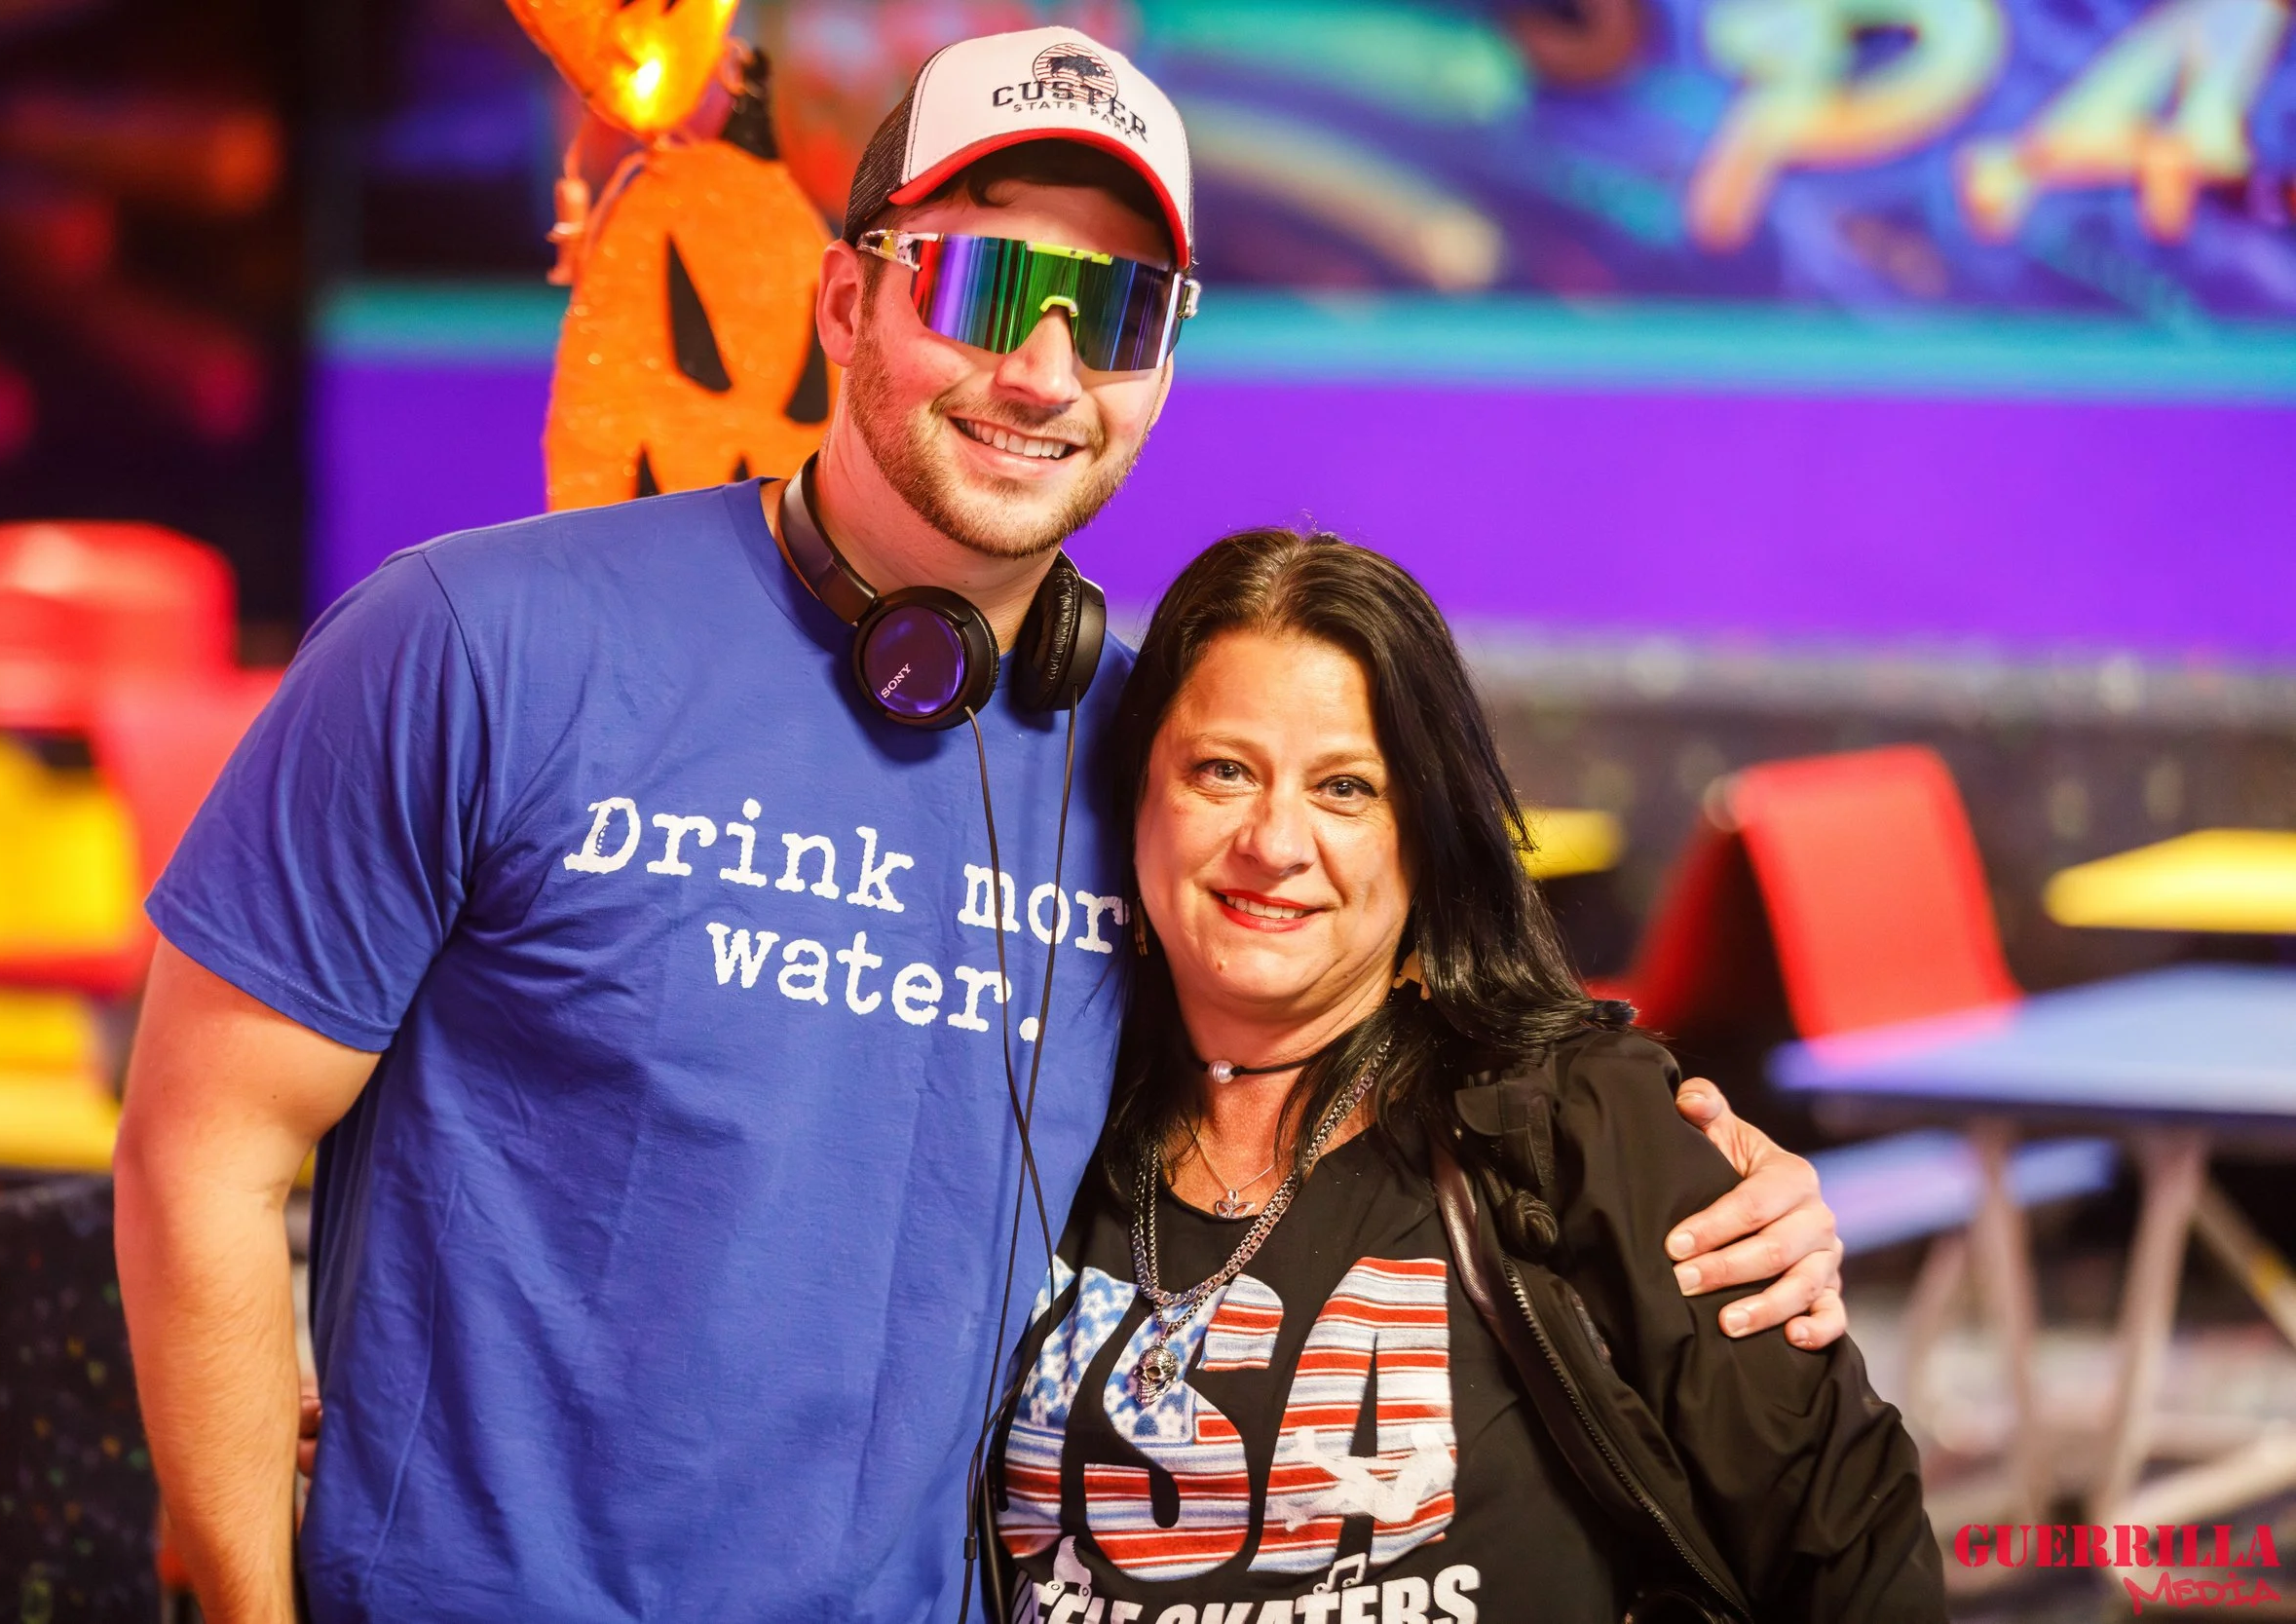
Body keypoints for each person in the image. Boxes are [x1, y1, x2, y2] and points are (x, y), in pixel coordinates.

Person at [112, 28, 1851, 1624]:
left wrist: (1706, 1193)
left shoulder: (1167, 766)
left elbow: (1404, 1073)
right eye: (982, 281)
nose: (1039, 368)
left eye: (1112, 314)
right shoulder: (473, 642)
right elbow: (201, 1147)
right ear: (846, 300)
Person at [986, 529, 1940, 1623]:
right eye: (1222, 769)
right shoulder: (1025, 1114)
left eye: (1345, 786)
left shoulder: (1570, 1122)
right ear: (1134, 798)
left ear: (1425, 839)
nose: (1274, 838)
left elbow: (1848, 1543)